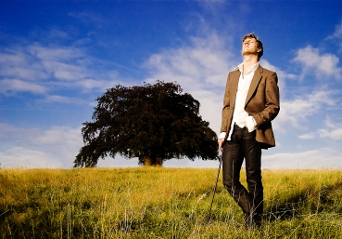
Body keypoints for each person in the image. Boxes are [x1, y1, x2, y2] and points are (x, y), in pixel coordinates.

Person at [218, 33, 280, 229]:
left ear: (259, 48)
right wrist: (222, 132)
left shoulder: (268, 75)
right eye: (244, 41)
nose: (246, 41)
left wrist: (254, 121)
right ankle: (255, 212)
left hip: (253, 130)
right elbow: (227, 106)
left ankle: (253, 224)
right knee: (229, 180)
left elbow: (273, 106)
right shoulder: (232, 75)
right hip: (232, 132)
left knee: (253, 177)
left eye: (251, 40)